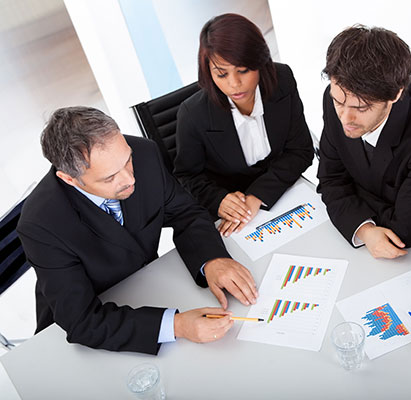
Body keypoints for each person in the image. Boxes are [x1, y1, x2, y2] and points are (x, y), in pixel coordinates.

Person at [17, 107, 259, 354]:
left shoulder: (144, 152)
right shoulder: (40, 224)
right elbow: (82, 322)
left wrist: (211, 260)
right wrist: (176, 326)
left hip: (146, 287)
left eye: (127, 160)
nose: (129, 179)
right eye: (110, 178)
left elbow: (184, 212)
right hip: (85, 332)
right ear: (70, 179)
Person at [174, 13, 313, 237]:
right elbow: (187, 177)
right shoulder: (193, 115)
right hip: (233, 214)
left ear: (260, 62)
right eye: (221, 74)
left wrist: (257, 196)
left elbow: (301, 150)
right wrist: (219, 200)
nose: (234, 84)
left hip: (280, 195)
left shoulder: (283, 79)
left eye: (243, 71)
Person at [317, 25, 411, 259]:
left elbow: (406, 230)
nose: (346, 118)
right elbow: (330, 179)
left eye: (361, 108)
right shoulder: (336, 97)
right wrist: (365, 230)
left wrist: (350, 198)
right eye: (339, 102)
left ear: (395, 95)